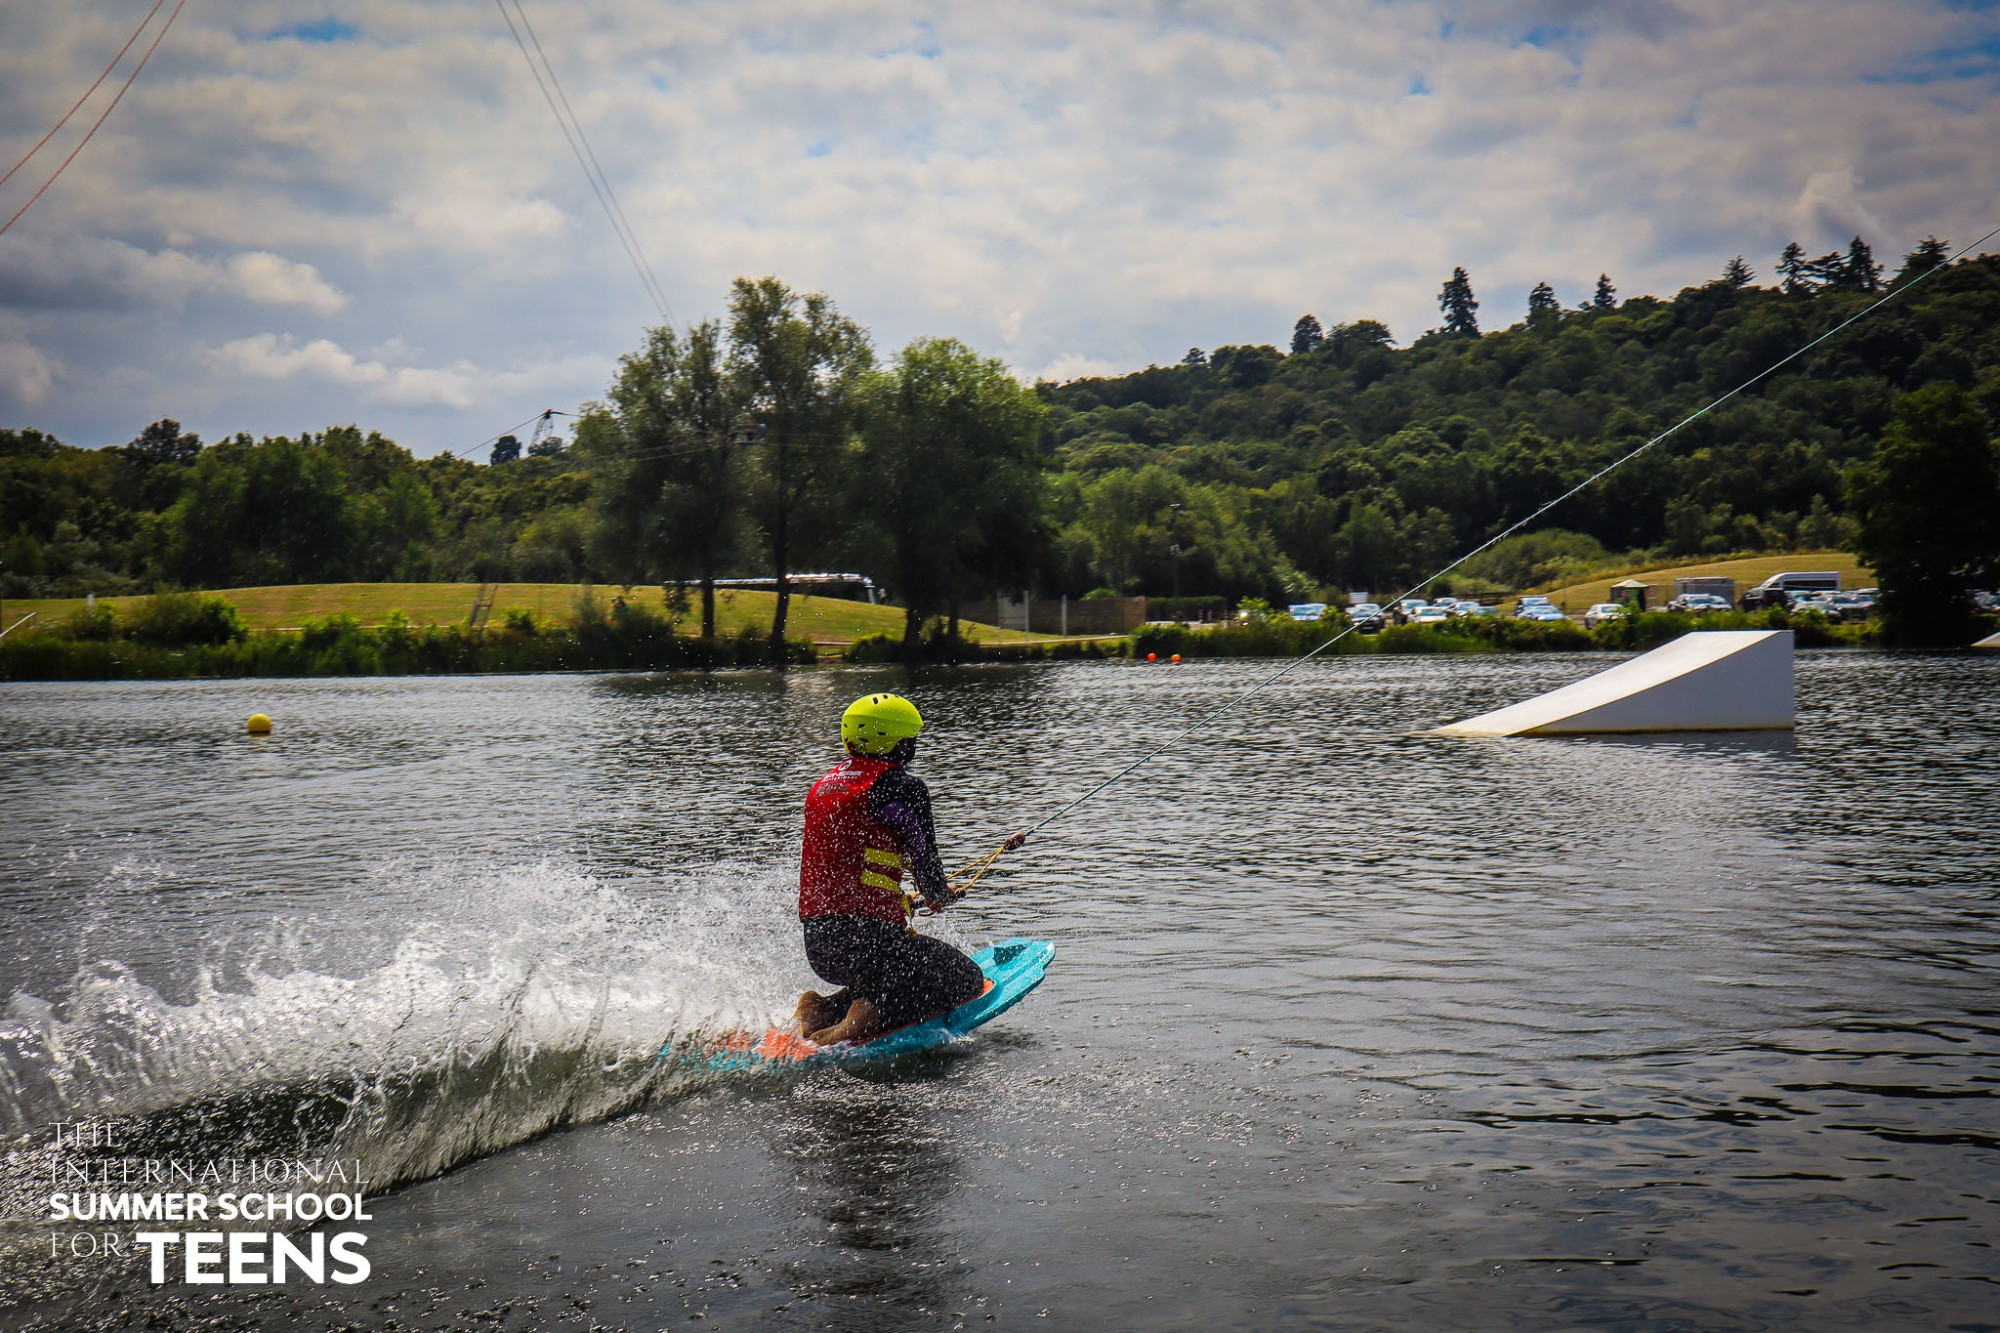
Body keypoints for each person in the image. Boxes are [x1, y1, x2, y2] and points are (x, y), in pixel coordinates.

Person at [794, 693, 1025, 1045]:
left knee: (888, 977)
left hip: (821, 944)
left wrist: (907, 899)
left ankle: (823, 1009)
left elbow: (848, 868)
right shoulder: (903, 788)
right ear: (895, 741)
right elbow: (924, 860)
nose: (912, 746)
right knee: (965, 979)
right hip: (872, 940)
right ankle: (865, 1017)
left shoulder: (822, 788)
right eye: (909, 738)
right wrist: (937, 894)